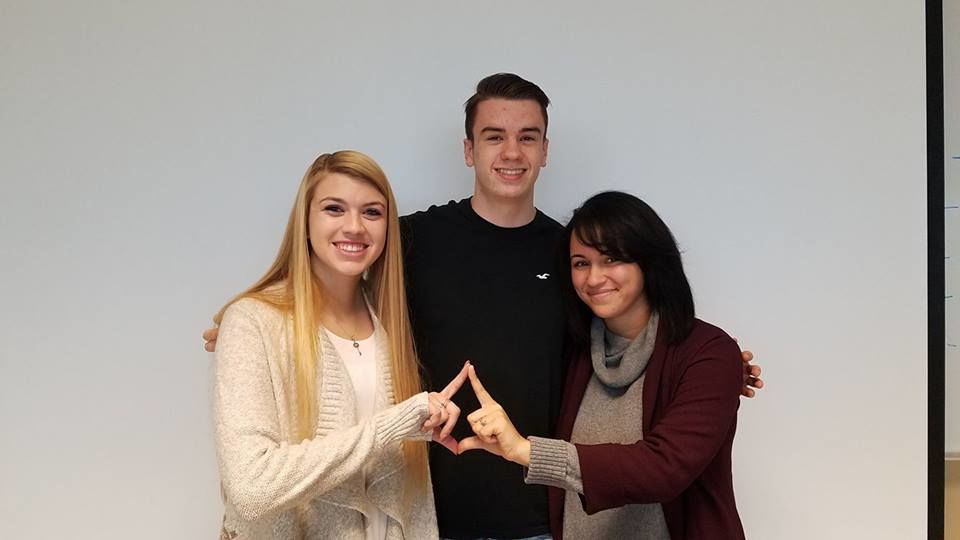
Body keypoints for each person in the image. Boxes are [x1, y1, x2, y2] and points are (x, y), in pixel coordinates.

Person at [206, 74, 763, 539]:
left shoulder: (572, 253)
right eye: (494, 136)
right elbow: (331, 271)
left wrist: (704, 362)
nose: (512, 152)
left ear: (546, 149)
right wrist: (253, 320)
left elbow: (621, 332)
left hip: (540, 514)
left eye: (528, 136)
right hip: (426, 515)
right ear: (469, 149)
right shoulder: (410, 241)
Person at [212, 150, 470, 540]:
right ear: (305, 222)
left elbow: (410, 497)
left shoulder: (391, 324)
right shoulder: (253, 321)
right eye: (334, 209)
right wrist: (393, 426)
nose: (355, 227)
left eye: (372, 213)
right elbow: (250, 488)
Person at [459, 191, 747, 539]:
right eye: (581, 263)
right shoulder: (574, 351)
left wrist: (526, 451)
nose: (594, 278)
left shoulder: (707, 354)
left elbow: (663, 469)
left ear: (649, 261)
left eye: (611, 259)